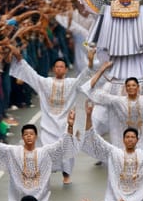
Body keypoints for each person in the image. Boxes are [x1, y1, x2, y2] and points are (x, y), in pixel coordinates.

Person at [0, 110, 76, 201]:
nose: (28, 137)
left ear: (36, 137)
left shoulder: (44, 152)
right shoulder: (13, 152)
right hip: (19, 198)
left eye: (31, 134)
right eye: (26, 134)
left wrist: (70, 125)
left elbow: (63, 144)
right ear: (22, 137)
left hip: (41, 198)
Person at [9, 54, 90, 184]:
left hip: (66, 124)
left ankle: (66, 174)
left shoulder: (71, 83)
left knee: (67, 149)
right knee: (46, 149)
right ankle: (45, 172)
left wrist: (91, 61)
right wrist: (20, 58)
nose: (59, 69)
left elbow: (85, 77)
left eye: (62, 67)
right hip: (48, 124)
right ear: (53, 69)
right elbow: (31, 74)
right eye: (57, 67)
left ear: (65, 69)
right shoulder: (45, 82)